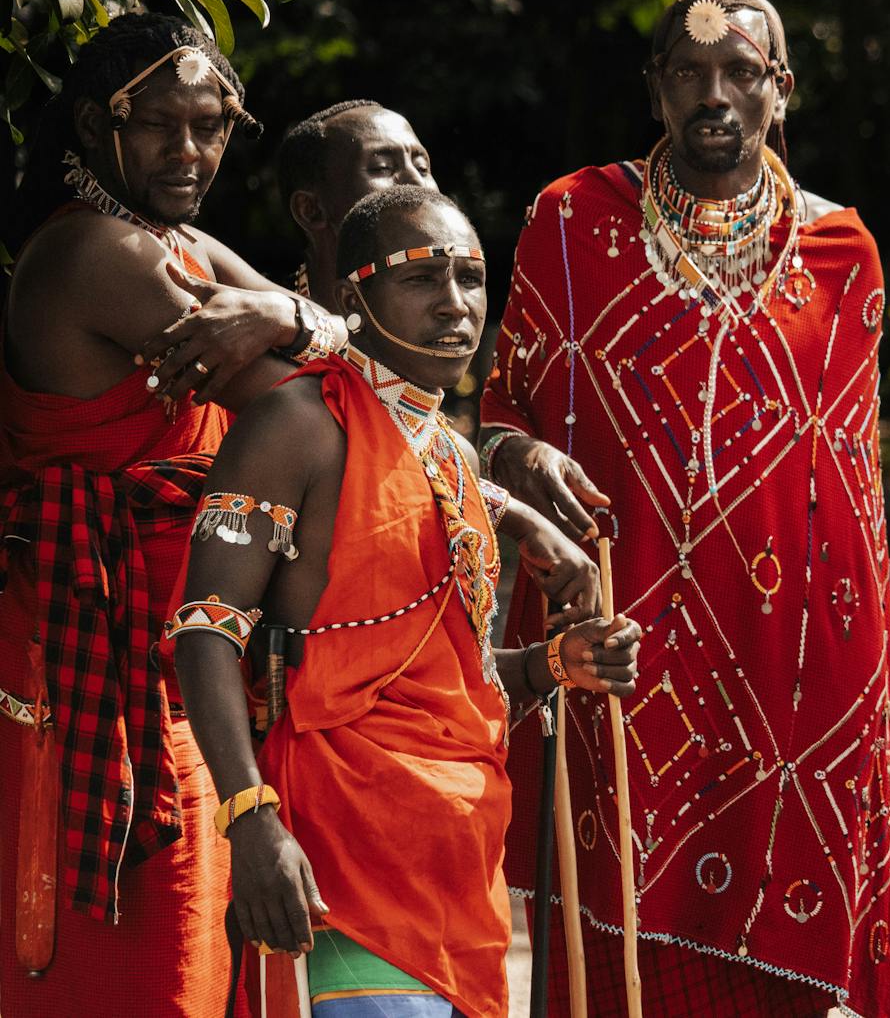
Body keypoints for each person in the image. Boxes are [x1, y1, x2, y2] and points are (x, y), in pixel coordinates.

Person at [480, 0, 890, 1016]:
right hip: (617, 663)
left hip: (781, 691)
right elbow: (496, 422)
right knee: (610, 970)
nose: (713, 93)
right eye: (688, 71)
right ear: (656, 89)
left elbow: (854, 514)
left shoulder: (842, 253)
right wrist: (523, 458)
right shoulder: (570, 221)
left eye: (740, 72)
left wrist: (860, 724)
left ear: (782, 89)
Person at [169, 185, 643, 1016]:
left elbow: (425, 671)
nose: (455, 305)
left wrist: (550, 664)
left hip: (459, 879)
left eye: (470, 277)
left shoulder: (451, 455)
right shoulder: (296, 423)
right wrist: (249, 820)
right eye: (421, 278)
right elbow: (205, 633)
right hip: (336, 873)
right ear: (352, 299)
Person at [0, 12, 350, 1016]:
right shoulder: (91, 255)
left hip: (175, 658)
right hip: (90, 666)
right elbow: (303, 403)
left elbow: (337, 367)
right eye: (161, 124)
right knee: (131, 970)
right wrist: (294, 322)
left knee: (191, 960)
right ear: (93, 128)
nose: (191, 150)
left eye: (210, 125)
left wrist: (286, 312)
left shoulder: (170, 240)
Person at [275, 101, 438, 311]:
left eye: (422, 168)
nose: (417, 182)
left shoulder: (458, 314)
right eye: (383, 167)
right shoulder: (259, 332)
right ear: (310, 210)